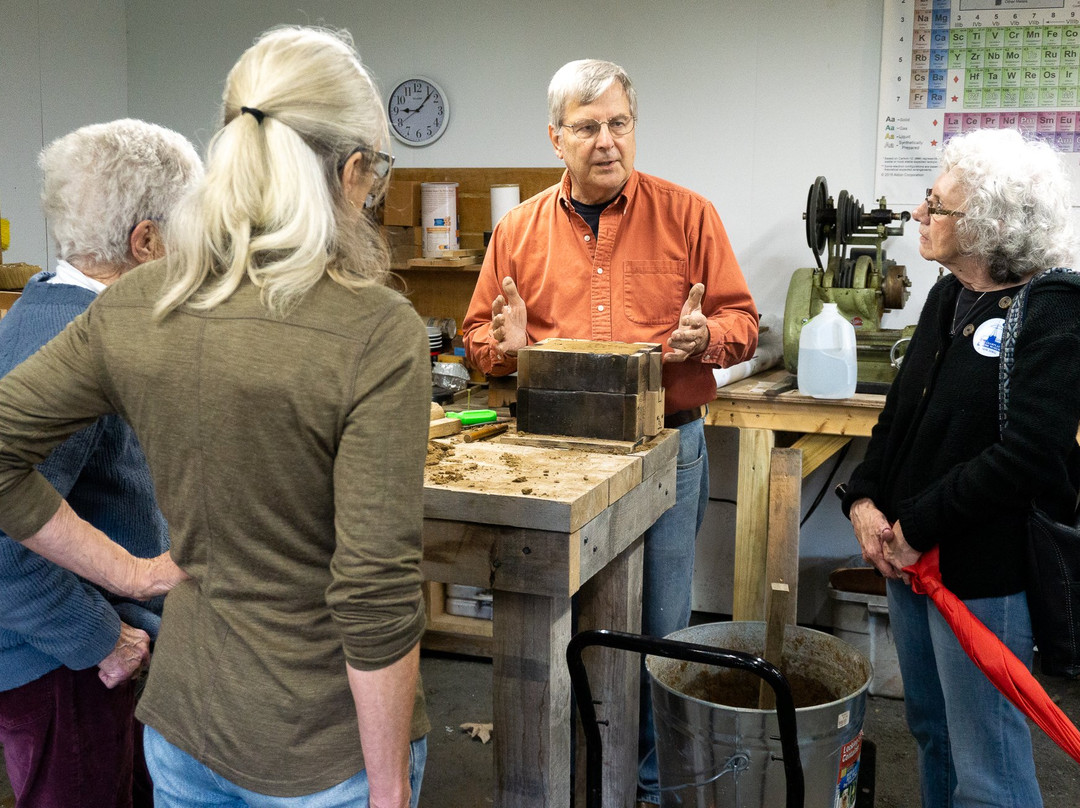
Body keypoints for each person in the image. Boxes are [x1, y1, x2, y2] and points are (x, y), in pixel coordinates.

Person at [0, 26, 431, 808]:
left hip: (186, 732)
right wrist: (391, 786)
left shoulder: (141, 301)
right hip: (322, 748)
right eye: (380, 172)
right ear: (356, 170)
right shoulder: (375, 331)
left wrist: (131, 573)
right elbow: (372, 593)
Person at [462, 58, 759, 805]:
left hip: (667, 448)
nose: (607, 141)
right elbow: (479, 337)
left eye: (619, 124)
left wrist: (707, 339)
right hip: (554, 458)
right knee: (555, 624)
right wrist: (506, 345)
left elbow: (742, 322)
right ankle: (567, 776)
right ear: (556, 137)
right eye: (588, 127)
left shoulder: (689, 215)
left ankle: (650, 786)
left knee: (655, 630)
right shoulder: (518, 228)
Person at [839, 128, 1080, 807]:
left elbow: (1030, 455)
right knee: (934, 733)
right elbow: (900, 417)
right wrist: (864, 503)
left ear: (988, 224)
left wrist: (918, 524)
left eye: (935, 205)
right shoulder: (949, 295)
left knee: (988, 763)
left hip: (980, 569)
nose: (919, 214)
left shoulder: (1057, 310)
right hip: (909, 557)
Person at [0, 118, 201, 808]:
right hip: (61, 663)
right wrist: (99, 637)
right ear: (146, 242)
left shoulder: (59, 313)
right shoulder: (68, 341)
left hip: (81, 659)